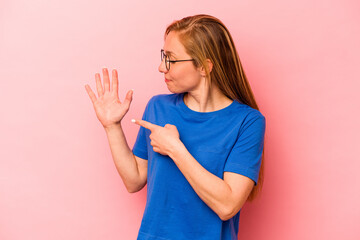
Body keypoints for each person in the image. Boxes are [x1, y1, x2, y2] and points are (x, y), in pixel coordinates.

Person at [85, 14, 266, 240]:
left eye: (170, 58)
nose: (161, 67)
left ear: (204, 66)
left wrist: (175, 149)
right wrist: (112, 126)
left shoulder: (247, 122)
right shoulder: (158, 108)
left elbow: (227, 205)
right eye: (163, 56)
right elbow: (134, 181)